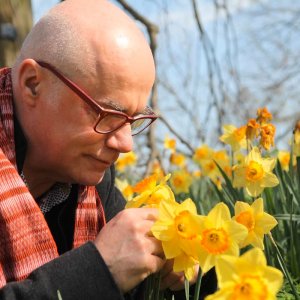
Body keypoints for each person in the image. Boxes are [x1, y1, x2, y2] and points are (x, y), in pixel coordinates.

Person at [0, 0, 217, 299]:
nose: (125, 144)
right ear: (33, 85)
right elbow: (107, 272)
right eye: (108, 115)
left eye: (134, 119)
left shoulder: (92, 182)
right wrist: (101, 269)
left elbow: (132, 283)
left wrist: (186, 273)